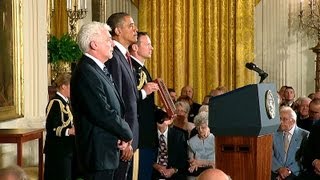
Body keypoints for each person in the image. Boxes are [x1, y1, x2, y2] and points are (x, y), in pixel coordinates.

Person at [70, 21, 133, 180]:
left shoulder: (97, 69)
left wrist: (120, 135)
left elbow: (114, 106)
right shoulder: (86, 72)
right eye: (107, 40)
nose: (112, 43)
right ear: (94, 44)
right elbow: (103, 113)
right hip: (97, 156)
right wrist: (126, 133)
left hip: (106, 152)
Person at [106, 12, 158, 180]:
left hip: (132, 134)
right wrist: (125, 136)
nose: (135, 29)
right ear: (117, 30)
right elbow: (118, 102)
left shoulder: (124, 57)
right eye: (130, 25)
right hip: (125, 138)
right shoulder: (114, 57)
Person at [129, 31, 160, 180]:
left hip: (147, 135)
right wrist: (144, 91)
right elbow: (128, 99)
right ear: (135, 47)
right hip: (138, 137)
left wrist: (161, 115)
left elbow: (147, 106)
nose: (151, 48)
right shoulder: (132, 68)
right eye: (148, 44)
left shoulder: (143, 69)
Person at [44, 73, 77, 180]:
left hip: (67, 149)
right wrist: (70, 131)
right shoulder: (55, 103)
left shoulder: (66, 103)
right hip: (57, 150)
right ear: (63, 86)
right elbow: (52, 128)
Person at [271, 106, 309, 180]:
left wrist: (287, 172)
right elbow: (270, 154)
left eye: (284, 119)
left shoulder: (304, 135)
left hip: (295, 174)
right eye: (279, 119)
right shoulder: (273, 134)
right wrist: (279, 169)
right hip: (275, 173)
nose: (280, 122)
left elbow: (303, 158)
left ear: (293, 121)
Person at [152, 115, 189, 180]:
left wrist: (173, 170)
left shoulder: (179, 136)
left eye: (164, 117)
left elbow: (183, 159)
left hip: (173, 174)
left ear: (170, 120)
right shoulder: (149, 135)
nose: (161, 119)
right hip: (153, 172)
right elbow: (146, 156)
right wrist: (157, 166)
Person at [187, 111, 215, 180]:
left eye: (203, 127)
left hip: (213, 168)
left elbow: (219, 160)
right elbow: (190, 159)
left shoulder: (215, 139)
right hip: (198, 169)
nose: (200, 130)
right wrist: (192, 163)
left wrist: (202, 162)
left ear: (209, 127)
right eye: (198, 128)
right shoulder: (191, 141)